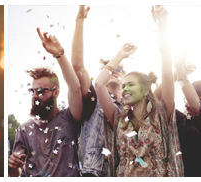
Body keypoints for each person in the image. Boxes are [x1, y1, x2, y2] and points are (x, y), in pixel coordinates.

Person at [94, 5, 183, 177]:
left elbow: (166, 69)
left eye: (131, 85)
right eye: (124, 85)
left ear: (145, 91)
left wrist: (162, 26)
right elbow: (99, 84)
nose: (125, 88)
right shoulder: (118, 120)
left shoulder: (161, 115)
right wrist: (120, 55)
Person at [8, 25, 84, 176]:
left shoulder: (69, 118)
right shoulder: (24, 129)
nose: (36, 95)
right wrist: (11, 166)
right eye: (33, 91)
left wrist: (59, 54)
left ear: (56, 93)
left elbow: (75, 88)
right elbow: (15, 173)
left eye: (42, 91)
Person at [70, 5, 124, 177]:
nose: (115, 69)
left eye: (120, 68)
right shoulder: (93, 98)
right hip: (93, 174)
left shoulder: (133, 107)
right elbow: (78, 66)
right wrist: (80, 20)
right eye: (110, 67)